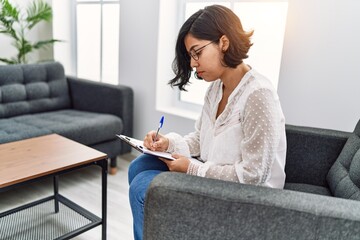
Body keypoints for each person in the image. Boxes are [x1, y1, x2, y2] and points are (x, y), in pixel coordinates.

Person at [128, 4, 286, 240]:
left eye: (197, 53)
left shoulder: (258, 94)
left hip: (248, 198)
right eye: (190, 56)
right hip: (213, 175)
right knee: (138, 166)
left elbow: (254, 176)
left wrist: (191, 168)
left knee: (143, 188)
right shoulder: (215, 89)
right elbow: (201, 140)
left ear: (223, 42)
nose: (192, 64)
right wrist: (166, 144)